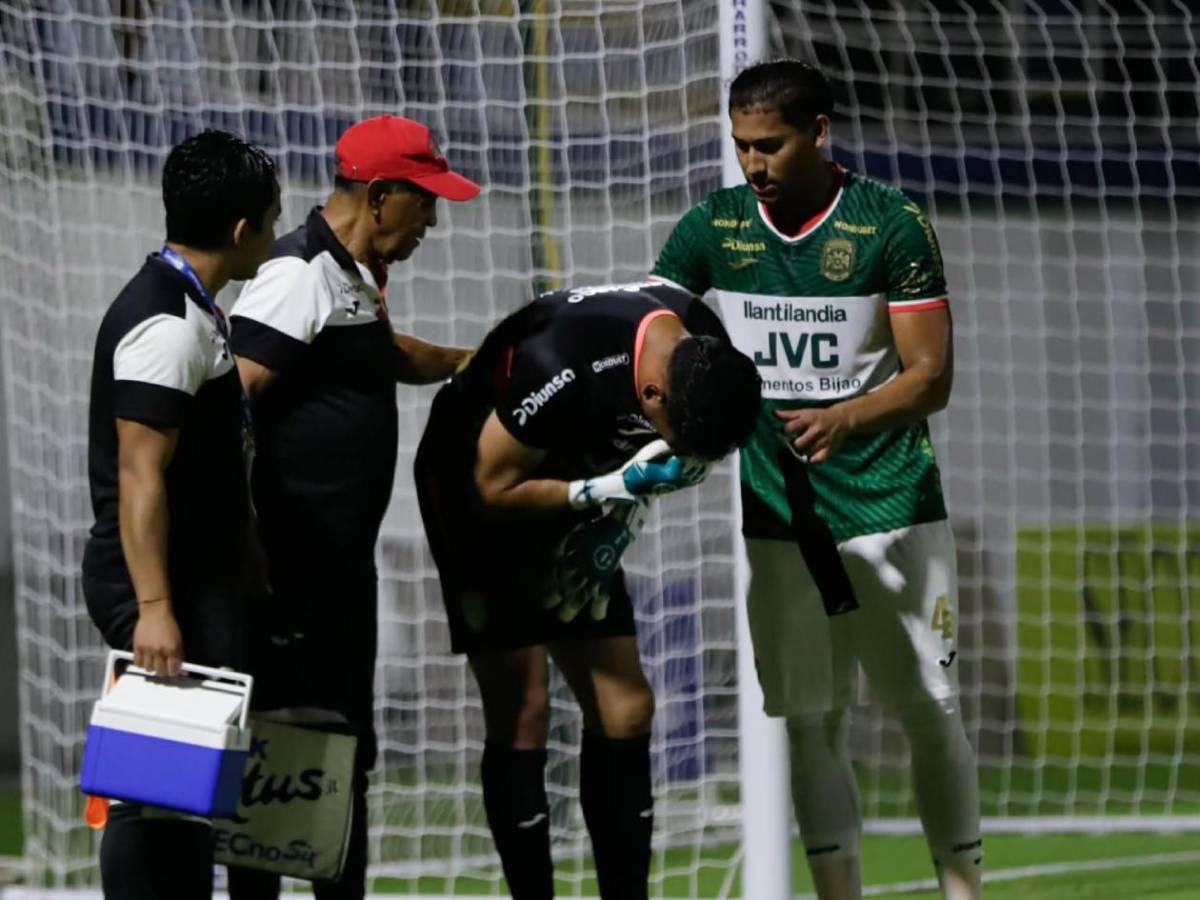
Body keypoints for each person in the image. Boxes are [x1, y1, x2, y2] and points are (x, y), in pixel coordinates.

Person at [651, 59, 982, 900]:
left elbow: (932, 378)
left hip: (890, 507)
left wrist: (848, 417)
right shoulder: (714, 226)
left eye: (769, 145)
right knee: (809, 720)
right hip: (778, 519)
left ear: (819, 132)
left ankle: (962, 891)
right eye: (741, 145)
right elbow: (649, 333)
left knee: (930, 710)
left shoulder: (889, 224)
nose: (752, 163)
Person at [413, 280, 763, 900]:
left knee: (626, 710)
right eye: (679, 433)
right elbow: (490, 485)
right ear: (651, 393)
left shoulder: (705, 351)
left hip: (573, 481)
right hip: (478, 486)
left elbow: (674, 459)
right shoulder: (560, 365)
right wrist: (605, 494)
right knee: (525, 709)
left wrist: (618, 526)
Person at [224, 114, 480, 900]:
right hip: (290, 571)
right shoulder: (297, 275)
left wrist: (475, 361)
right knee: (284, 759)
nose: (432, 221)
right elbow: (227, 404)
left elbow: (385, 352)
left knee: (341, 757)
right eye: (424, 201)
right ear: (380, 195)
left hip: (335, 571)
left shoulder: (348, 276)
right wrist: (246, 537)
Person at [81, 129, 281, 900]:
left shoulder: (192, 308)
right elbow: (140, 478)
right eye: (271, 220)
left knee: (186, 795)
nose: (274, 234)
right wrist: (155, 608)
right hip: (163, 586)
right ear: (242, 230)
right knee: (152, 793)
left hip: (198, 578)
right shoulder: (165, 324)